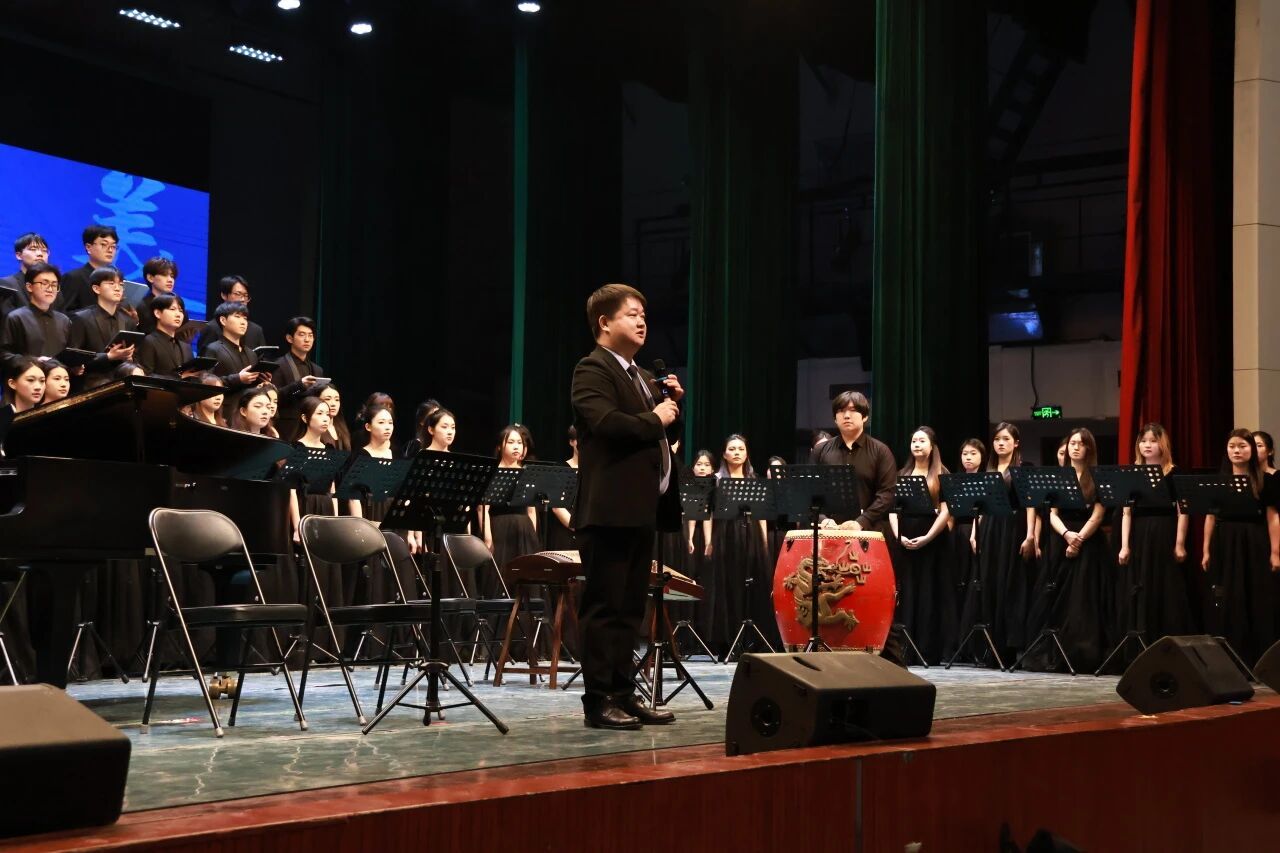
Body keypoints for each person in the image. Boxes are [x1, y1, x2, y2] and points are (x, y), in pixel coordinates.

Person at [571, 282, 682, 730]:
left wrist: (672, 407)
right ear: (604, 322)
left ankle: (623, 693)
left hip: (640, 510)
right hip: (608, 511)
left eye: (644, 315)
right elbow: (608, 424)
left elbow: (657, 434)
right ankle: (598, 701)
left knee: (630, 609)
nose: (642, 322)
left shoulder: (641, 376)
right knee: (605, 607)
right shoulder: (592, 369)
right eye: (632, 314)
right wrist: (655, 416)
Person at [1023, 428, 1111, 672]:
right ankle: (1052, 652)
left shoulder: (1097, 477)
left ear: (1089, 449)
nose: (1075, 447)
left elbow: (1098, 515)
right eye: (1073, 443)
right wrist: (1067, 535)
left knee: (1083, 599)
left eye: (1081, 444)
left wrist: (1078, 539)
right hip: (1060, 539)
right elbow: (1051, 513)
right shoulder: (1058, 476)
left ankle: (1083, 653)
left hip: (1088, 542)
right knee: (1052, 597)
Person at [961, 422, 1037, 663]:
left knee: (1009, 583)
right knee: (990, 582)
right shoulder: (989, 469)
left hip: (1013, 527)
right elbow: (982, 507)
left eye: (1006, 439)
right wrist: (974, 532)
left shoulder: (1024, 468)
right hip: (990, 528)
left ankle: (1009, 647)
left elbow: (1030, 504)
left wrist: (1030, 535)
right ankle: (990, 647)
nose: (1001, 443)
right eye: (997, 439)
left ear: (1016, 443)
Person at [1201, 429, 1280, 662]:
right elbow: (1210, 516)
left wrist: (1275, 552)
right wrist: (1205, 549)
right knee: (1226, 596)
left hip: (1255, 540)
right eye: (1232, 446)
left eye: (1243, 446)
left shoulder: (1266, 480)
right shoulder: (1218, 481)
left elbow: (1273, 517)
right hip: (1225, 542)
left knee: (1256, 594)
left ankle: (1259, 657)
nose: (1237, 451)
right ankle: (1228, 655)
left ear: (1252, 450)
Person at [1114, 423, 1191, 647]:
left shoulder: (1174, 473)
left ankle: (1166, 643)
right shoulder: (1132, 473)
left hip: (1164, 532)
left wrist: (1179, 544)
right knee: (1140, 585)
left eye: (1153, 441)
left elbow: (1183, 511)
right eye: (1143, 441)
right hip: (1139, 534)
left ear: (1162, 444)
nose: (1147, 445)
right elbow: (1126, 513)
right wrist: (1124, 545)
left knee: (1165, 585)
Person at [708, 434, 779, 657]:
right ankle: (728, 641)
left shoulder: (754, 480)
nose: (736, 452)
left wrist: (764, 541)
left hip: (751, 535)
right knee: (728, 585)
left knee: (752, 585)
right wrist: (709, 541)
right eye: (732, 449)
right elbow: (710, 514)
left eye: (741, 449)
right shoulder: (716, 480)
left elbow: (761, 515)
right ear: (724, 454)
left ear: (747, 454)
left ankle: (752, 639)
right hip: (725, 535)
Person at [888, 427, 953, 664]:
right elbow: (892, 510)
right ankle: (904, 649)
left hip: (933, 540)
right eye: (914, 440)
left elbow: (946, 511)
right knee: (906, 591)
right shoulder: (902, 474)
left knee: (929, 592)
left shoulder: (942, 473)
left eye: (922, 440)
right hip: (905, 538)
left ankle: (927, 649)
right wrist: (898, 536)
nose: (916, 444)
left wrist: (927, 537)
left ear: (932, 445)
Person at [810, 391, 897, 531]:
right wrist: (822, 519)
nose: (846, 415)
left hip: (868, 531)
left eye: (853, 410)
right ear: (835, 419)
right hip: (828, 530)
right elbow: (810, 491)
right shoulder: (820, 450)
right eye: (841, 411)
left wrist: (862, 521)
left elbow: (887, 494)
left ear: (865, 416)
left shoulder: (881, 451)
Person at [482, 424, 539, 578]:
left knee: (525, 575)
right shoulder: (492, 471)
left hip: (524, 529)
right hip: (500, 528)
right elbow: (483, 509)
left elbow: (531, 510)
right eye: (511, 442)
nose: (516, 446)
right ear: (500, 446)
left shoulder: (527, 472)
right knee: (500, 573)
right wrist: (488, 538)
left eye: (519, 443)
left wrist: (532, 536)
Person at [67, 266, 138, 375]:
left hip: (121, 379)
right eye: (111, 283)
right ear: (96, 289)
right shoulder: (81, 318)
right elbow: (74, 359)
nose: (117, 288)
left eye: (121, 284)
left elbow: (136, 357)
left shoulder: (128, 320)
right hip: (91, 380)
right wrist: (108, 356)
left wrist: (129, 358)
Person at [0, 262, 71, 359]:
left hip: (58, 369)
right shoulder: (16, 317)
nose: (50, 289)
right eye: (44, 283)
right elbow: (5, 354)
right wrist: (32, 362)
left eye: (54, 285)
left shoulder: (64, 320)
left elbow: (69, 354)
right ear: (29, 287)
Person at [196, 276, 266, 353]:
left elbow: (263, 358)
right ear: (224, 295)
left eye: (246, 295)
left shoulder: (256, 330)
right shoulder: (211, 328)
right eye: (238, 294)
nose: (243, 299)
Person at [203, 302, 264, 390]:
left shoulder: (251, 353)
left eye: (245, 318)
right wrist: (238, 378)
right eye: (237, 317)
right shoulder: (213, 349)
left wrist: (262, 381)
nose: (243, 322)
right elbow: (206, 382)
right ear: (223, 320)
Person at [57, 226, 117, 313]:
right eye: (104, 244)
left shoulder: (118, 280)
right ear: (88, 247)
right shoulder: (74, 278)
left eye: (113, 246)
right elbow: (62, 314)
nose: (110, 250)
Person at [135, 294, 197, 378]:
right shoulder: (149, 341)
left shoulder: (186, 346)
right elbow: (145, 375)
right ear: (157, 313)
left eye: (181, 311)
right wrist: (178, 377)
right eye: (172, 309)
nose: (178, 314)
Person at [274, 316, 323, 424]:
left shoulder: (317, 369)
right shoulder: (278, 365)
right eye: (302, 335)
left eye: (310, 335)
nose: (307, 339)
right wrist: (299, 385)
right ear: (289, 338)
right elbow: (274, 397)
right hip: (287, 424)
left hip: (311, 424)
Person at [0, 233, 49, 316]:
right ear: (19, 255)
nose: (40, 254)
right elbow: (7, 319)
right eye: (33, 249)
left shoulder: (53, 287)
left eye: (44, 250)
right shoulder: (7, 285)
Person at [135, 257, 180, 335]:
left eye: (172, 276)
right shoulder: (141, 306)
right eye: (164, 275)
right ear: (150, 278)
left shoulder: (178, 305)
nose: (170, 280)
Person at [316, 384, 352, 451]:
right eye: (328, 399)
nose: (333, 404)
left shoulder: (341, 427)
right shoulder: (314, 428)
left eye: (337, 400)